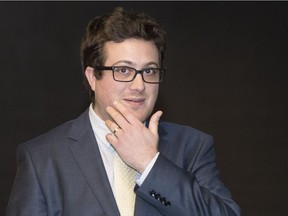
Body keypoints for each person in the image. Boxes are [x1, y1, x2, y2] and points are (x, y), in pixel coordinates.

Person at [6, 7, 240, 216]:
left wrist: (150, 163)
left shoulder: (192, 147)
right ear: (92, 77)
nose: (139, 85)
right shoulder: (43, 158)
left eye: (149, 72)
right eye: (124, 70)